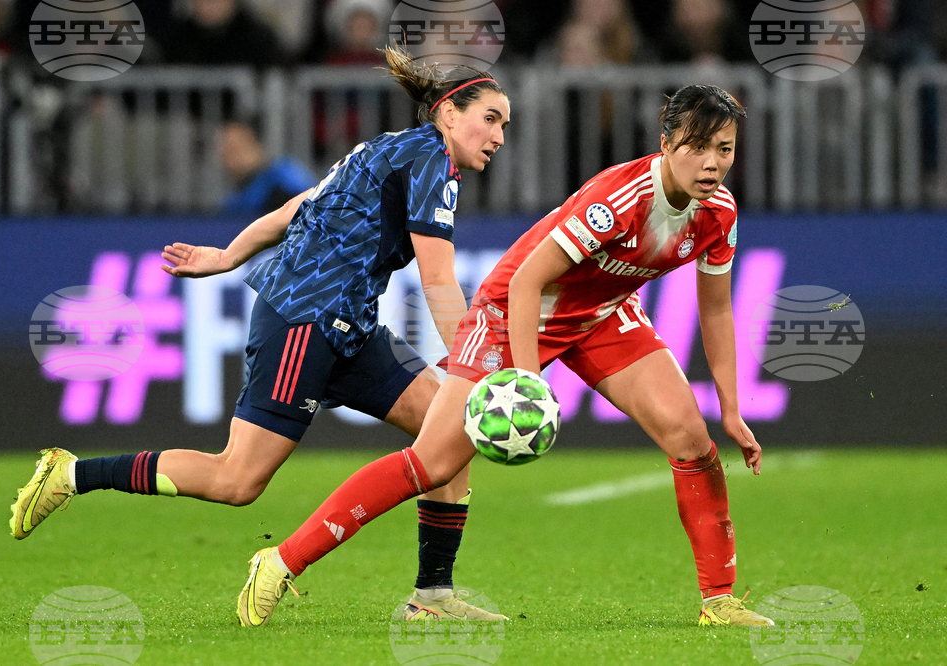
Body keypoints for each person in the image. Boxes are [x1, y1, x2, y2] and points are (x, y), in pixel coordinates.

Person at [240, 84, 776, 628]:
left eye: (724, 149)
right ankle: (281, 561)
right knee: (434, 463)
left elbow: (716, 311)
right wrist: (526, 380)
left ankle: (719, 602)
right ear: (665, 143)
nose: (712, 164)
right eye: (697, 147)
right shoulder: (619, 198)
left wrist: (731, 409)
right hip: (511, 312)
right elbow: (525, 283)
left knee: (690, 438)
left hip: (600, 314)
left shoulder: (719, 212)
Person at [9, 45, 511, 627]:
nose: (499, 136)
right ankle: (72, 474)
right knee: (237, 480)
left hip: (348, 323)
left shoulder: (391, 149)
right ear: (448, 113)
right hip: (305, 318)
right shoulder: (428, 160)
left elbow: (299, 205)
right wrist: (474, 366)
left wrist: (229, 255)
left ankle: (432, 596)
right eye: (490, 118)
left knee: (449, 431)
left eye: (505, 124)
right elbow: (438, 278)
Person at [219, 119, 318, 216]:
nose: (228, 155)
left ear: (256, 144)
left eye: (234, 147)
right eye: (224, 149)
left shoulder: (283, 181)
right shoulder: (235, 199)